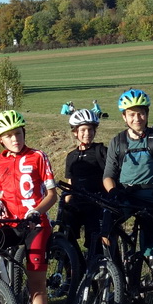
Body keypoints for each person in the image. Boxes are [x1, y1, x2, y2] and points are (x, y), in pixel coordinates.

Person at [0, 110, 58, 304]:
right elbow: (0, 190)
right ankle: (0, 297)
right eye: (8, 136)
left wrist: (37, 211)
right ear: (0, 139)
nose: (14, 139)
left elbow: (51, 195)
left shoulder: (37, 156)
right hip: (8, 223)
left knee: (36, 285)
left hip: (34, 224)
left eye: (18, 133)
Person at [102, 88, 153, 292]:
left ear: (147, 114)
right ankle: (113, 272)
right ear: (124, 117)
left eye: (141, 113)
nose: (137, 118)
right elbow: (108, 176)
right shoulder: (117, 141)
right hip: (125, 196)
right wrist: (113, 192)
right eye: (132, 114)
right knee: (105, 229)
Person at [57, 108, 107, 259]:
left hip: (97, 203)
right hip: (78, 203)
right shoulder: (71, 156)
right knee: (64, 234)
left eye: (90, 129)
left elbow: (110, 175)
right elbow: (70, 183)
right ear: (75, 132)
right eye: (83, 130)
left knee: (95, 242)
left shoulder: (100, 150)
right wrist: (65, 205)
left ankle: (97, 269)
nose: (87, 133)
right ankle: (75, 265)